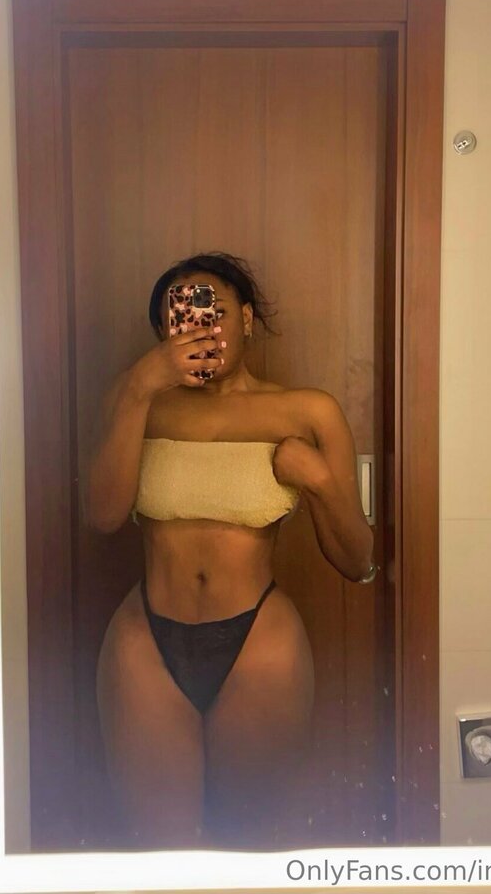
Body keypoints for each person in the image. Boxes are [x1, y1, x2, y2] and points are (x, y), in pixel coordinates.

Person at [87, 251, 375, 850]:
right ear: (163, 330)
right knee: (159, 852)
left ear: (245, 318)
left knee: (253, 844)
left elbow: (357, 560)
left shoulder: (308, 411)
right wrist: (141, 384)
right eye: (181, 317)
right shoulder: (137, 398)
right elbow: (103, 514)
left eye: (212, 311)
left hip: (259, 641)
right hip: (145, 640)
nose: (200, 328)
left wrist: (318, 480)